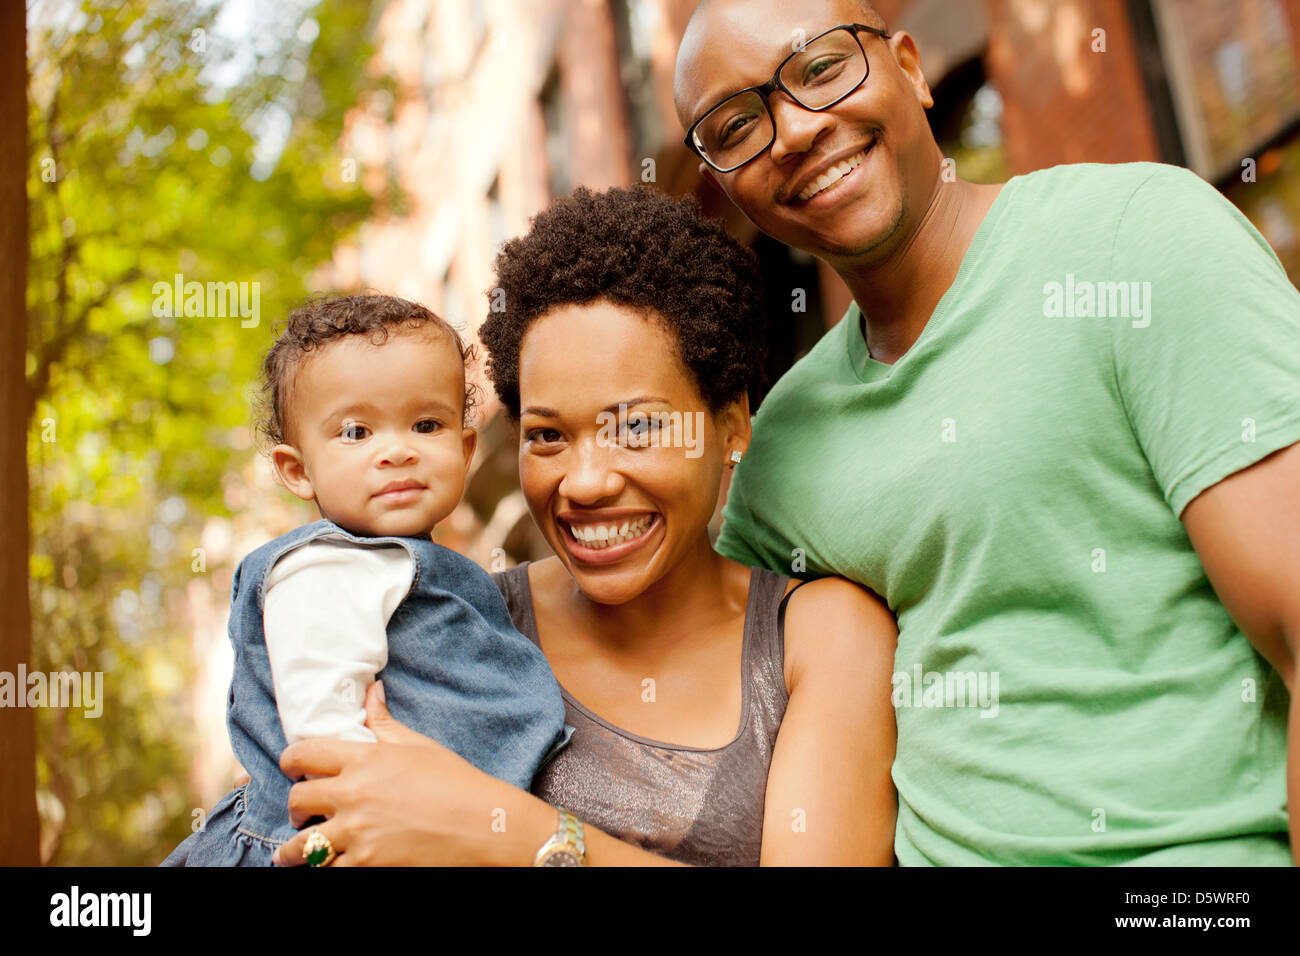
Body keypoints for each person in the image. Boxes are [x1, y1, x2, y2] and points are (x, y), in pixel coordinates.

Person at [674, 0, 1300, 865]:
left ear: (912, 68)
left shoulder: (1136, 240)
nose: (792, 130)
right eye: (737, 125)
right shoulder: (780, 449)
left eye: (820, 69)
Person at [271, 186, 899, 866]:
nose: (586, 481)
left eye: (636, 426)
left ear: (731, 424)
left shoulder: (818, 636)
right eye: (547, 436)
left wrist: (509, 831)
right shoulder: (450, 628)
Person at [161, 294, 569, 866]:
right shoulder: (322, 567)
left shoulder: (417, 566)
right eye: (356, 432)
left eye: (426, 424)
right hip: (338, 841)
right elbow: (323, 726)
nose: (397, 451)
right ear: (298, 470)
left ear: (465, 445)